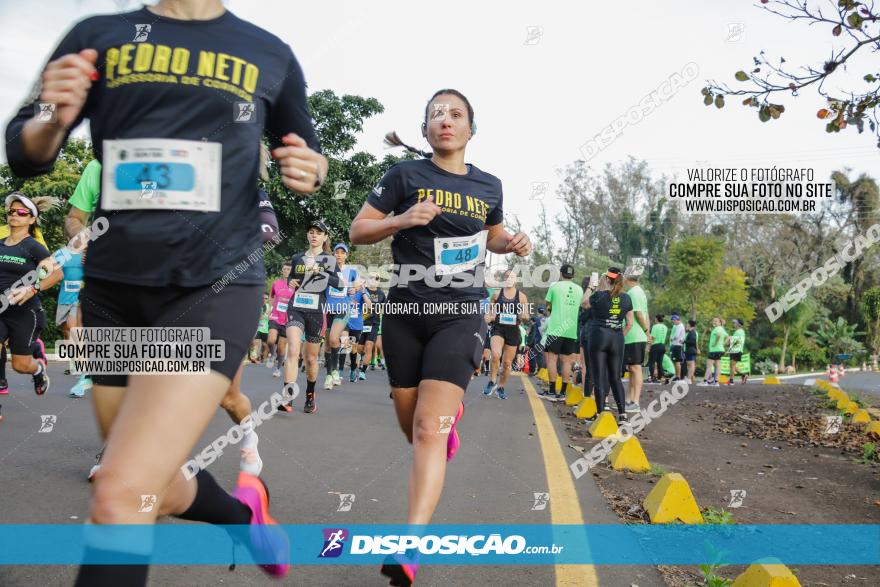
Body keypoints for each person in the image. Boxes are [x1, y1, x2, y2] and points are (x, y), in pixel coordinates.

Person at [5, 1, 330, 582]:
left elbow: (307, 151)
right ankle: (239, 514)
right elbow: (25, 152)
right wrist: (53, 119)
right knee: (140, 485)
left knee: (119, 497)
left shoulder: (266, 52)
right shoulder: (97, 35)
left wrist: (310, 168)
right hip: (114, 291)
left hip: (213, 283)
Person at [350, 88, 531, 586]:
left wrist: (510, 241)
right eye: (436, 115)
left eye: (455, 115)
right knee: (412, 426)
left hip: (459, 311)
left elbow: (490, 233)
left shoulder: (489, 184)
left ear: (471, 129)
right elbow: (358, 230)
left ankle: (410, 546)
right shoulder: (404, 176)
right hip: (407, 309)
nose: (445, 121)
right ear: (426, 129)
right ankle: (446, 423)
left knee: (430, 430)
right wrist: (403, 219)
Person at [64, 162, 275, 482]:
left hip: (225, 294)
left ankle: (248, 436)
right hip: (164, 290)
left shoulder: (242, 186)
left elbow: (267, 231)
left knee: (227, 397)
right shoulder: (166, 173)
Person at [0, 193, 63, 396]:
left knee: (20, 365)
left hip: (25, 313)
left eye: (21, 212)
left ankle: (37, 369)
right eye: (11, 211)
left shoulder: (33, 247)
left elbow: (57, 274)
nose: (14, 215)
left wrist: (33, 288)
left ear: (31, 219)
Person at [281, 220, 340, 414]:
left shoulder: (329, 260)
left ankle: (310, 394)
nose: (314, 235)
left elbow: (338, 283)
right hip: (296, 307)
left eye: (319, 233)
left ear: (324, 238)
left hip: (316, 311)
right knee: (293, 349)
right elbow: (291, 279)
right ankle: (287, 396)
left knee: (311, 358)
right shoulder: (298, 258)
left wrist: (318, 270)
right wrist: (291, 282)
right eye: (311, 232)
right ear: (308, 235)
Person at [583, 268, 633, 422]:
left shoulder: (598, 296)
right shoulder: (626, 298)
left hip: (598, 337)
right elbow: (630, 323)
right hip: (617, 338)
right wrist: (618, 336)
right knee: (615, 378)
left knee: (598, 377)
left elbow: (584, 303)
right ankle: (623, 415)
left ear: (606, 280)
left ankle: (600, 414)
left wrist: (591, 287)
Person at [484, 269, 529, 399]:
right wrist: (489, 316)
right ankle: (492, 381)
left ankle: (501, 387)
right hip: (498, 328)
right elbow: (490, 312)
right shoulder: (497, 295)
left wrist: (523, 315)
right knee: (496, 354)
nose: (509, 279)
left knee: (507, 363)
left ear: (516, 280)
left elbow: (526, 315)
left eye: (512, 277)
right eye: (507, 277)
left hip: (513, 330)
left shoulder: (521, 296)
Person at [542, 263, 583, 401]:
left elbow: (548, 304)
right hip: (571, 330)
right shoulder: (579, 289)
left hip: (556, 329)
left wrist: (552, 309)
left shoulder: (555, 287)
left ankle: (552, 391)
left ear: (561, 274)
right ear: (573, 275)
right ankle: (563, 393)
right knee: (567, 362)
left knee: (552, 360)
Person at [323, 243, 357, 389]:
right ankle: (329, 374)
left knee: (333, 338)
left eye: (342, 253)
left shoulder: (351, 271)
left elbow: (355, 286)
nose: (339, 255)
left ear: (346, 255)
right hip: (328, 308)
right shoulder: (328, 270)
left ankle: (336, 371)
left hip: (343, 307)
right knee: (327, 345)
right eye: (337, 252)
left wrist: (352, 290)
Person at [622, 271, 650, 412]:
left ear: (627, 278)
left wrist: (646, 332)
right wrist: (647, 332)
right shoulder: (637, 291)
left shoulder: (634, 293)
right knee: (632, 368)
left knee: (635, 368)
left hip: (635, 336)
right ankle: (629, 400)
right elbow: (647, 314)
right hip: (634, 336)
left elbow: (639, 314)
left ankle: (636, 401)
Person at [266, 261, 293, 377]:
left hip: (287, 319)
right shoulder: (276, 283)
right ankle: (272, 355)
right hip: (275, 316)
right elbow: (271, 296)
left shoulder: (295, 285)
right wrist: (271, 308)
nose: (286, 271)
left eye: (289, 269)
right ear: (282, 270)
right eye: (285, 269)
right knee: (271, 340)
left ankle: (278, 369)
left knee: (282, 347)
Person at [357, 276, 386, 381]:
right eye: (372, 278)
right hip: (362, 322)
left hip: (374, 323)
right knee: (359, 349)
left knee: (369, 346)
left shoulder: (381, 294)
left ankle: (363, 372)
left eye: (377, 279)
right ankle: (362, 357)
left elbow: (386, 308)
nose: (374, 280)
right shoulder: (363, 291)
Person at [344, 278, 371, 382]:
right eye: (360, 281)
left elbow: (369, 306)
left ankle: (352, 369)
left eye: (363, 282)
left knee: (353, 348)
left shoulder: (363, 293)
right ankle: (340, 372)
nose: (361, 283)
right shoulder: (347, 289)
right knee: (345, 346)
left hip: (356, 324)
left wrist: (363, 292)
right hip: (344, 322)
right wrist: (346, 292)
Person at [703, 317, 728, 386]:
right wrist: (723, 344)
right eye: (713, 321)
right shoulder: (722, 329)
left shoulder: (717, 328)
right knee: (718, 366)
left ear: (720, 323)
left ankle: (705, 381)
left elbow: (719, 335)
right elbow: (728, 337)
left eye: (716, 321)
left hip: (714, 350)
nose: (714, 322)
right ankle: (716, 382)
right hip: (720, 350)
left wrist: (716, 343)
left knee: (709, 365)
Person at [647, 314, 668, 383]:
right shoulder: (665, 327)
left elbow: (652, 338)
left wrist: (648, 347)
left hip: (655, 346)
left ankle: (652, 378)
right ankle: (660, 378)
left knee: (651, 362)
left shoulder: (655, 326)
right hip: (662, 346)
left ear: (656, 319)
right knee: (660, 363)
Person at [252, 293, 271, 363]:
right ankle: (254, 357)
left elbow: (272, 318)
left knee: (264, 345)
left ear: (268, 299)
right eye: (263, 298)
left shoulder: (270, 307)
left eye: (266, 298)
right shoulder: (257, 306)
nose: (264, 300)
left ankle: (262, 355)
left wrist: (268, 315)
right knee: (256, 343)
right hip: (258, 328)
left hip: (266, 329)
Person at [727, 318, 747, 385]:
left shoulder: (738, 332)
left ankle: (731, 381)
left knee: (732, 366)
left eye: (735, 323)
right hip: (737, 350)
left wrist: (728, 339)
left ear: (738, 324)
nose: (734, 324)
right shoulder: (741, 331)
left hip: (736, 350)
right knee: (732, 365)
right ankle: (743, 375)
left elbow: (733, 342)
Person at [669, 314, 686, 381]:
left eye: (673, 321)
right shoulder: (677, 326)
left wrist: (671, 338)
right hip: (676, 345)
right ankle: (677, 375)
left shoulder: (679, 326)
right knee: (675, 361)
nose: (673, 322)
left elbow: (676, 335)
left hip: (677, 345)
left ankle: (678, 376)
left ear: (676, 320)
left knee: (677, 361)